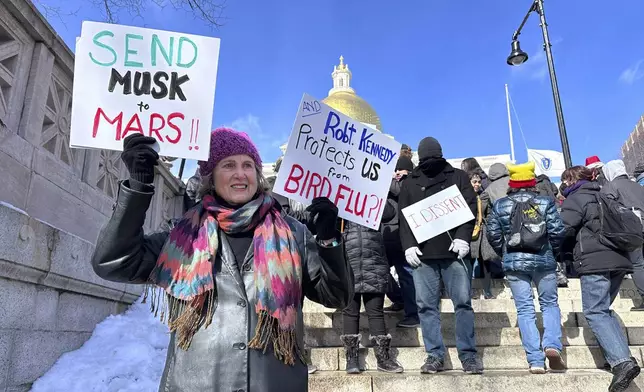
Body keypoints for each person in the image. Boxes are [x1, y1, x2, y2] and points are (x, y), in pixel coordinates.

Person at [91, 129, 354, 392]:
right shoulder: (181, 234)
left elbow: (336, 297)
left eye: (248, 165)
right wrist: (138, 189)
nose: (241, 174)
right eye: (228, 165)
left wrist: (329, 241)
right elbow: (114, 262)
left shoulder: (293, 232)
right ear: (211, 177)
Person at [399, 137, 483, 375]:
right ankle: (435, 355)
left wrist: (463, 237)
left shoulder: (457, 176)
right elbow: (404, 217)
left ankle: (468, 355)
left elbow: (468, 208)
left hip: (453, 251)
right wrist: (408, 245)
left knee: (463, 304)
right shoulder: (410, 182)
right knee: (426, 306)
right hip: (423, 255)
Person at [560, 166, 640, 392]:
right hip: (619, 260)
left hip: (595, 262)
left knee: (595, 311)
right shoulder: (606, 192)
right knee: (603, 309)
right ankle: (619, 356)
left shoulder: (577, 198)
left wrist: (562, 255)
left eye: (565, 181)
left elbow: (562, 229)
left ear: (571, 180)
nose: (564, 185)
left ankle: (622, 361)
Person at [486, 161, 566, 374]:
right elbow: (558, 231)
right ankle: (551, 345)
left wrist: (505, 251)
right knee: (549, 303)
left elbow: (492, 233)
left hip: (514, 262)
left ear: (511, 182)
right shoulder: (545, 202)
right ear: (532, 182)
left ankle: (535, 360)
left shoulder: (500, 204)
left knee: (525, 308)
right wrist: (553, 252)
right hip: (544, 260)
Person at [341, 201, 404, 374]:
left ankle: (383, 358)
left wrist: (377, 195)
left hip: (373, 262)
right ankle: (351, 357)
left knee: (376, 312)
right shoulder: (339, 199)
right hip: (348, 262)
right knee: (350, 312)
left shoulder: (371, 197)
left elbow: (390, 213)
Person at [602, 159, 644, 312]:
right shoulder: (637, 186)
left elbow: (607, 207)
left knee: (637, 263)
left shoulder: (611, 187)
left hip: (630, 229)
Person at [383, 156, 419, 328]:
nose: (397, 173)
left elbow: (400, 190)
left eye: (400, 170)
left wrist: (382, 177)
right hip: (387, 235)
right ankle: (399, 299)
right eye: (395, 170)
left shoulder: (409, 182)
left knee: (406, 275)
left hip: (402, 237)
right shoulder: (391, 183)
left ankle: (413, 313)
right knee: (381, 272)